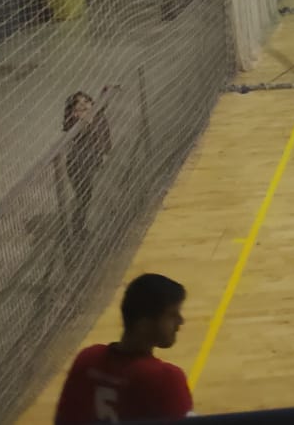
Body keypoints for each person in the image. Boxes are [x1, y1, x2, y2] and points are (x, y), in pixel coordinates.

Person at [54, 273, 192, 423]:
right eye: (172, 315)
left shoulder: (87, 359)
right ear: (143, 325)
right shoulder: (166, 379)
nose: (180, 322)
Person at [57, 89, 113, 237]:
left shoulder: (98, 115)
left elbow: (105, 134)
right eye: (79, 107)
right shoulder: (76, 124)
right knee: (84, 196)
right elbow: (77, 129)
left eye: (87, 102)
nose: (85, 107)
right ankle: (77, 228)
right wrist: (83, 121)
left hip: (92, 163)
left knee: (88, 196)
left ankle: (79, 225)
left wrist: (106, 91)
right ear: (74, 112)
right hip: (78, 166)